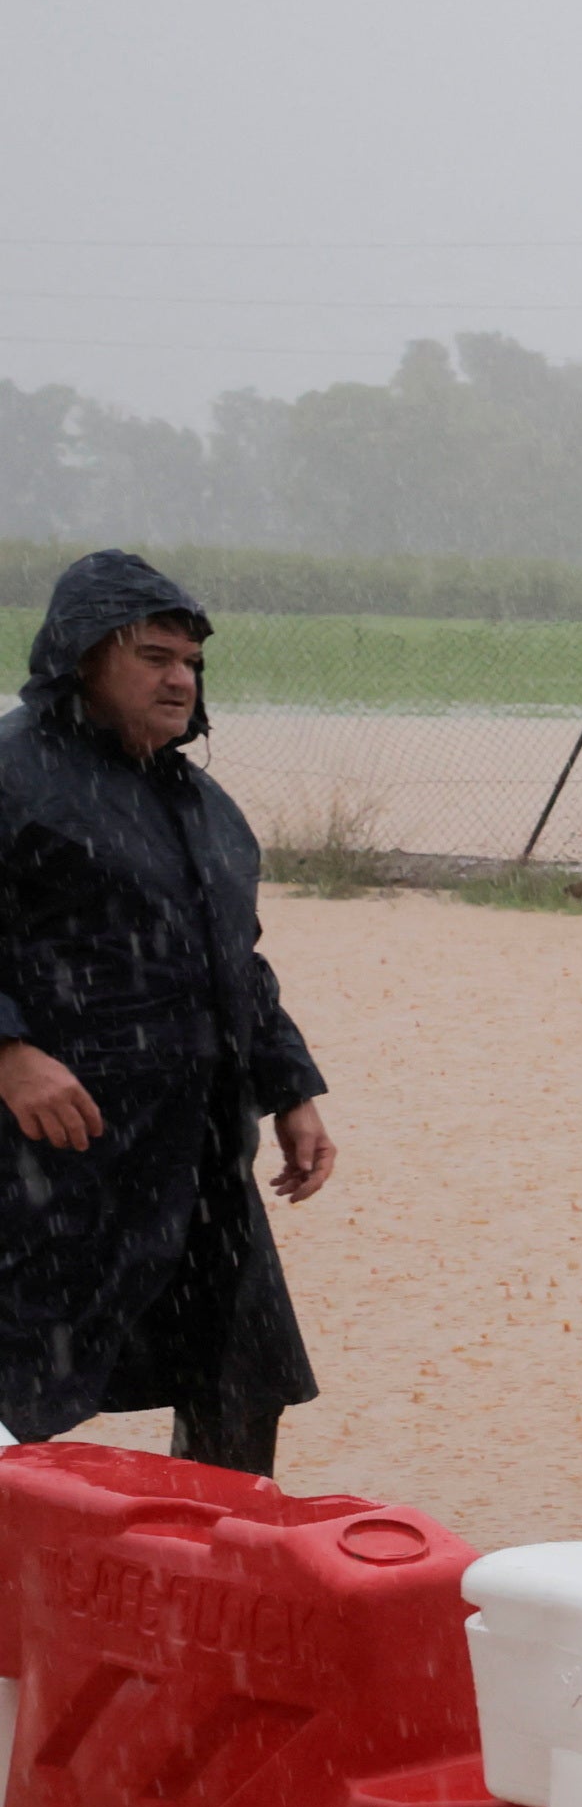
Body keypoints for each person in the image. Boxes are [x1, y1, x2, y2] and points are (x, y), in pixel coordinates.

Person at [2, 552, 336, 1475]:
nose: (180, 679)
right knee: (20, 1371)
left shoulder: (202, 805)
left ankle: (216, 1572)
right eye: (154, 656)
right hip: (51, 1161)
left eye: (190, 661)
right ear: (82, 658)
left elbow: (239, 964)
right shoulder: (13, 777)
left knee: (239, 1373)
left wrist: (289, 1090)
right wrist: (9, 1051)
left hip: (197, 1156)